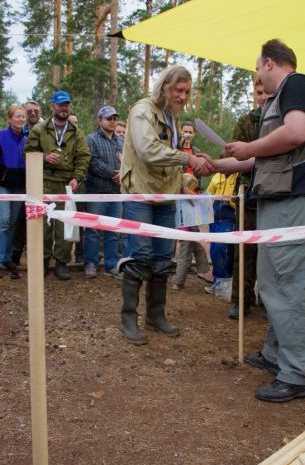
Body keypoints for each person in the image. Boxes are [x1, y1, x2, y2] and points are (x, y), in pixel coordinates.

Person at [217, 38, 305, 402]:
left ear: (270, 63)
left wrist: (250, 147)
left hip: (294, 201)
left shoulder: (298, 84)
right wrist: (217, 163)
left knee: (289, 286)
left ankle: (298, 374)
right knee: (271, 282)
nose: (257, 75)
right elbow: (262, 159)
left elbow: (296, 133)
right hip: (279, 199)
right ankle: (276, 355)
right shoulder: (279, 100)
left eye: (257, 68)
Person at [119, 65, 213, 345]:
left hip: (166, 197)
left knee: (162, 258)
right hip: (140, 195)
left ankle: (155, 314)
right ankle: (128, 318)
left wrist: (186, 177)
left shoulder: (172, 117)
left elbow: (167, 161)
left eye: (187, 91)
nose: (183, 96)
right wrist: (187, 160)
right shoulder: (142, 111)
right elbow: (148, 152)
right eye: (178, 90)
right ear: (164, 87)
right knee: (139, 256)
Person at [24, 90, 90, 281]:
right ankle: (43, 260)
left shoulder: (77, 132)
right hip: (43, 182)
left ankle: (61, 262)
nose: (64, 108)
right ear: (52, 106)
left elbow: (84, 157)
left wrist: (77, 177)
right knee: (42, 225)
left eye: (67, 104)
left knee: (64, 224)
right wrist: (44, 158)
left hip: (66, 183)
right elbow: (27, 153)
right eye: (60, 104)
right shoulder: (40, 129)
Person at [228, 78, 268, 320]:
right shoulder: (246, 121)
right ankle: (240, 301)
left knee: (271, 251)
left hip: (275, 195)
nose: (262, 97)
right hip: (249, 193)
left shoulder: (285, 120)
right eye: (259, 92)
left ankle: (268, 303)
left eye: (266, 92)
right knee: (244, 250)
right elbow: (230, 153)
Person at [83, 105, 124, 279]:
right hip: (96, 190)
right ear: (100, 121)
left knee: (113, 230)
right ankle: (91, 263)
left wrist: (122, 174)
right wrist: (113, 174)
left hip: (116, 192)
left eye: (114, 118)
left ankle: (111, 265)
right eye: (109, 118)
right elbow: (92, 162)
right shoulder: (91, 139)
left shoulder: (121, 142)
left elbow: (127, 162)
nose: (112, 121)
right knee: (93, 230)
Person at [12, 100, 43, 266]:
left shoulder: (46, 130)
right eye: (29, 111)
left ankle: (40, 257)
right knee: (18, 220)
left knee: (39, 217)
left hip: (41, 180)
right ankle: (15, 254)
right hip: (18, 180)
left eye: (35, 111)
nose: (32, 113)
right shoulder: (18, 131)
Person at [172, 173, 212, 290]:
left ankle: (203, 271)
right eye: (193, 187)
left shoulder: (184, 196)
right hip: (186, 231)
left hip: (191, 230)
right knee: (185, 256)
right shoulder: (185, 198)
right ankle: (178, 282)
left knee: (199, 249)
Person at [0, 105, 27, 279]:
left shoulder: (28, 137)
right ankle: (0, 258)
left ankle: (8, 257)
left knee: (12, 224)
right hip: (3, 184)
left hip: (20, 185)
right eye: (17, 116)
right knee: (3, 221)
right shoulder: (1, 136)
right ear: (9, 119)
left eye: (23, 116)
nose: (21, 119)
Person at [204, 170, 238, 301]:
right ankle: (217, 281)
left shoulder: (237, 177)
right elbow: (208, 194)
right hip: (214, 216)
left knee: (223, 247)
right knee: (214, 249)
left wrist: (232, 201)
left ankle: (226, 282)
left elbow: (239, 199)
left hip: (229, 216)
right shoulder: (217, 176)